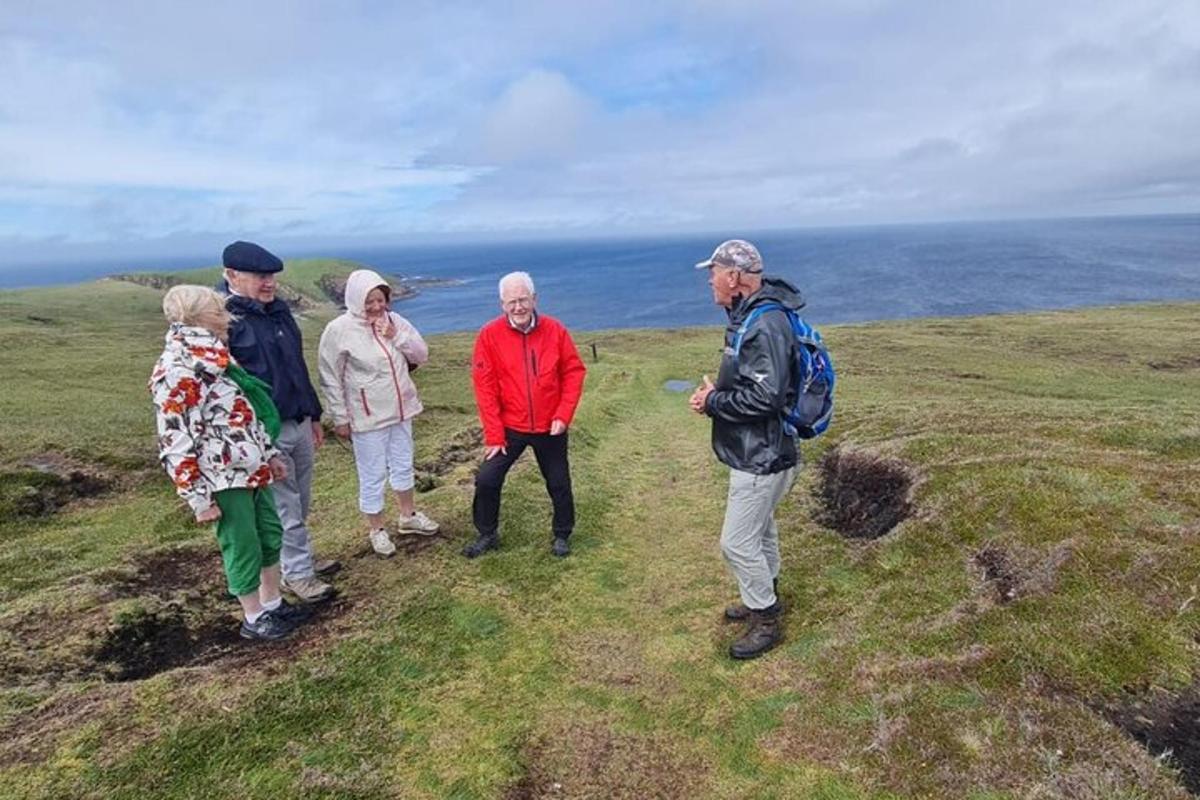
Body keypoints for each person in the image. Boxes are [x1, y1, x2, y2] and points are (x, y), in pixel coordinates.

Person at [150, 285, 312, 641]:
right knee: (242, 545)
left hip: (252, 468)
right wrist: (196, 496)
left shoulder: (218, 357)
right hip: (223, 477)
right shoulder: (178, 368)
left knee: (270, 534)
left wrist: (269, 456)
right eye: (218, 312)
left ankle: (272, 604)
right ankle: (253, 617)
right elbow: (175, 436)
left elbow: (244, 415)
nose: (228, 319)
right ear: (193, 318)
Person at [689, 239, 803, 660]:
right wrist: (722, 391)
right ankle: (765, 594)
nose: (709, 280)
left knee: (736, 543)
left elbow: (766, 398)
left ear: (734, 277)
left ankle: (766, 618)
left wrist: (713, 402)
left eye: (714, 271)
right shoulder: (753, 315)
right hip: (762, 451)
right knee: (761, 530)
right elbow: (759, 385)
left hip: (763, 455)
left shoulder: (763, 323)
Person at [221, 241, 338, 603]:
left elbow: (295, 367)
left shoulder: (278, 312)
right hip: (264, 431)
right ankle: (299, 575)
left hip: (298, 419)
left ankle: (295, 563)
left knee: (299, 501)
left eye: (271, 276)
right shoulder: (224, 319)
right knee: (284, 505)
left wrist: (313, 414)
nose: (269, 283)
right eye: (260, 276)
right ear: (232, 275)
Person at [463, 271, 587, 558]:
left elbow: (573, 372)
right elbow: (485, 388)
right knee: (487, 478)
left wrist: (563, 415)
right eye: (511, 302)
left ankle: (562, 534)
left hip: (550, 426)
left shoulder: (555, 330)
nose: (517, 307)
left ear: (534, 299)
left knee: (558, 482)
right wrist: (494, 435)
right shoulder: (489, 335)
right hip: (510, 427)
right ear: (501, 304)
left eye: (523, 300)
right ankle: (487, 533)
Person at [317, 269, 439, 557]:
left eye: (380, 299)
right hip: (367, 417)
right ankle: (377, 529)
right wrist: (340, 417)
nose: (376, 307)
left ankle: (408, 516)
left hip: (401, 410)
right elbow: (329, 376)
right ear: (356, 299)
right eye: (369, 301)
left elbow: (420, 355)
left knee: (402, 463)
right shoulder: (339, 330)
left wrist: (396, 336)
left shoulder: (395, 321)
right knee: (372, 473)